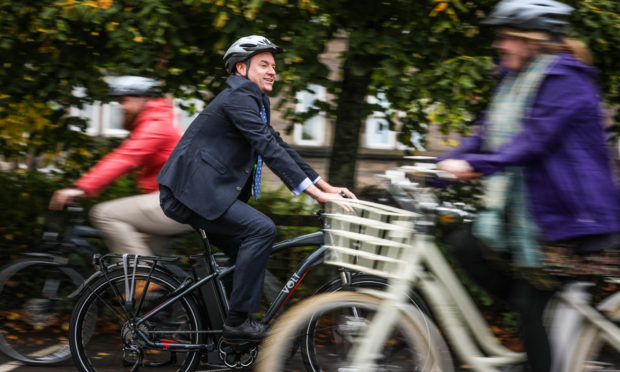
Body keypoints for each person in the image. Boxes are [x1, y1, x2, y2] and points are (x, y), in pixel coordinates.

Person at [436, 1, 620, 371]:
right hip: (537, 217)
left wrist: (474, 166)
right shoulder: (513, 80)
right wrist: (435, 169)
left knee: (527, 302)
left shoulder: (566, 79)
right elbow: (485, 134)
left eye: (508, 38)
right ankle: (539, 343)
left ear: (535, 41)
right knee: (464, 245)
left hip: (573, 219)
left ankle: (538, 356)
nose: (499, 45)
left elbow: (532, 142)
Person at [157, 35, 356, 342]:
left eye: (274, 66)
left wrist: (326, 186)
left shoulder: (253, 100)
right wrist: (316, 195)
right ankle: (236, 324)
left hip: (204, 194)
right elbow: (265, 146)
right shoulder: (238, 98)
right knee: (261, 230)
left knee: (245, 255)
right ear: (241, 68)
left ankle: (205, 329)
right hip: (191, 195)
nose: (272, 71)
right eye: (263, 64)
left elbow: (277, 144)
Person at [49, 75, 194, 256]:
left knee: (104, 214)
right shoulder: (153, 122)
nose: (120, 106)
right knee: (122, 266)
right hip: (178, 201)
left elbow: (124, 158)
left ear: (144, 98)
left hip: (180, 202)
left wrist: (80, 188)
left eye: (124, 100)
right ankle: (149, 279)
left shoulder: (157, 126)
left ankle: (141, 275)